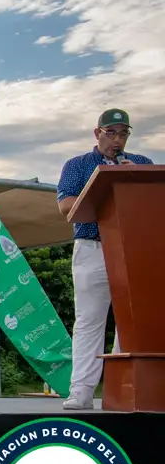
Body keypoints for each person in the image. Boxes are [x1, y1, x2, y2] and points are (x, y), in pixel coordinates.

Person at [55, 108, 153, 411]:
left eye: (123, 133)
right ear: (98, 133)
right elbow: (66, 206)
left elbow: (154, 202)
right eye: (111, 133)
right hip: (93, 247)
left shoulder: (142, 163)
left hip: (132, 250)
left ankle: (122, 389)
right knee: (89, 320)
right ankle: (81, 391)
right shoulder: (78, 165)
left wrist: (132, 178)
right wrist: (107, 191)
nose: (117, 140)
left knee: (131, 322)